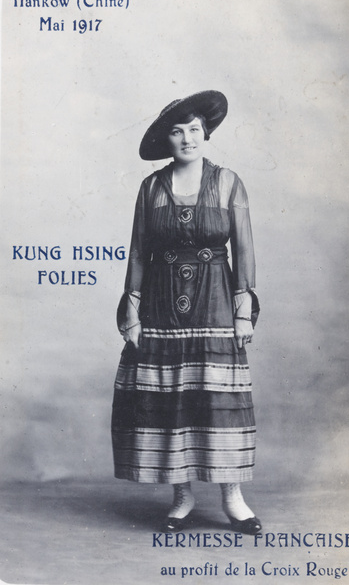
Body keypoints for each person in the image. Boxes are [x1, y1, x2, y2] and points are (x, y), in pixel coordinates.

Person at [111, 90, 261, 534]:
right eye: (177, 131)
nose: (187, 138)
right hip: (160, 302)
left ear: (206, 134)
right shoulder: (151, 188)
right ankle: (181, 497)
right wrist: (132, 312)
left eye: (194, 129)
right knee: (169, 400)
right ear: (167, 140)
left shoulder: (229, 182)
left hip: (215, 299)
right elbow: (138, 251)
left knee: (217, 400)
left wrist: (242, 309)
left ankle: (233, 498)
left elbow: (245, 249)